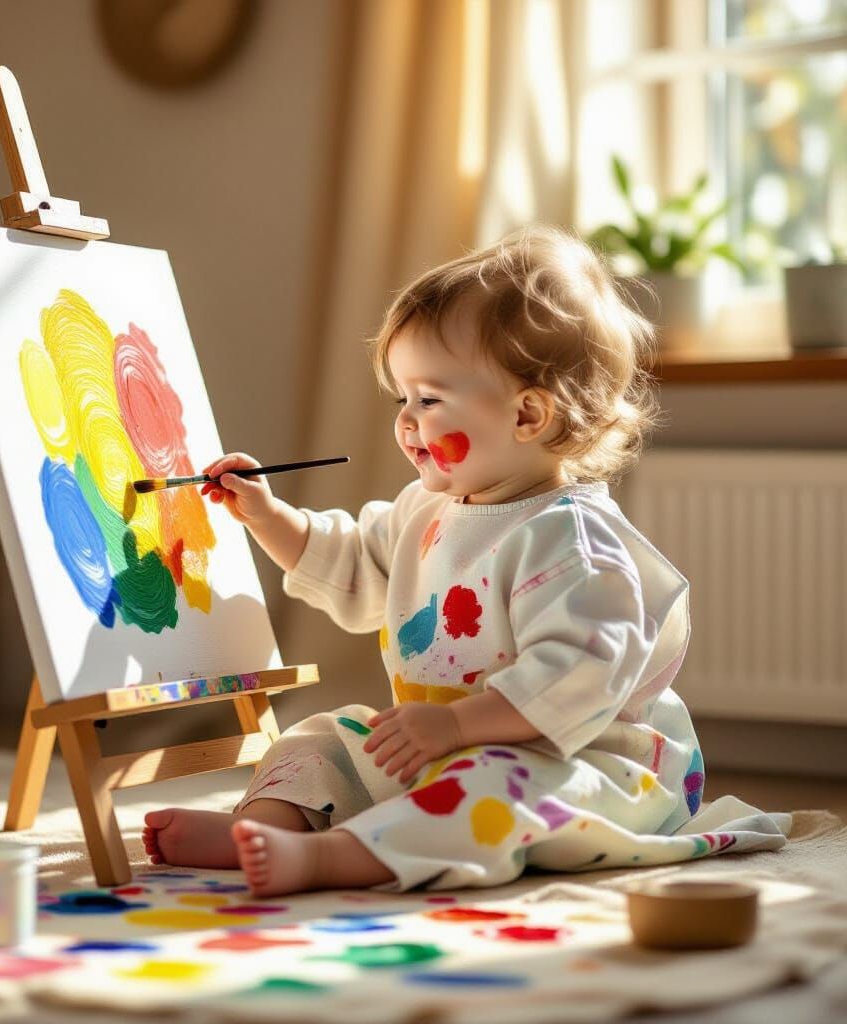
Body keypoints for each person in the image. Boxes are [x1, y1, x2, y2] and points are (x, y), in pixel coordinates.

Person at [142, 225, 787, 897]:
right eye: (403, 399)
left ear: (528, 415)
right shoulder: (427, 508)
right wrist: (266, 516)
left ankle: (331, 858)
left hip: (586, 766)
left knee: (484, 794)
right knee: (325, 736)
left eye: (429, 400)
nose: (408, 421)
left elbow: (577, 674)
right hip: (447, 743)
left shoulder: (574, 541)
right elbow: (353, 564)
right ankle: (265, 824)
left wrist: (455, 726)